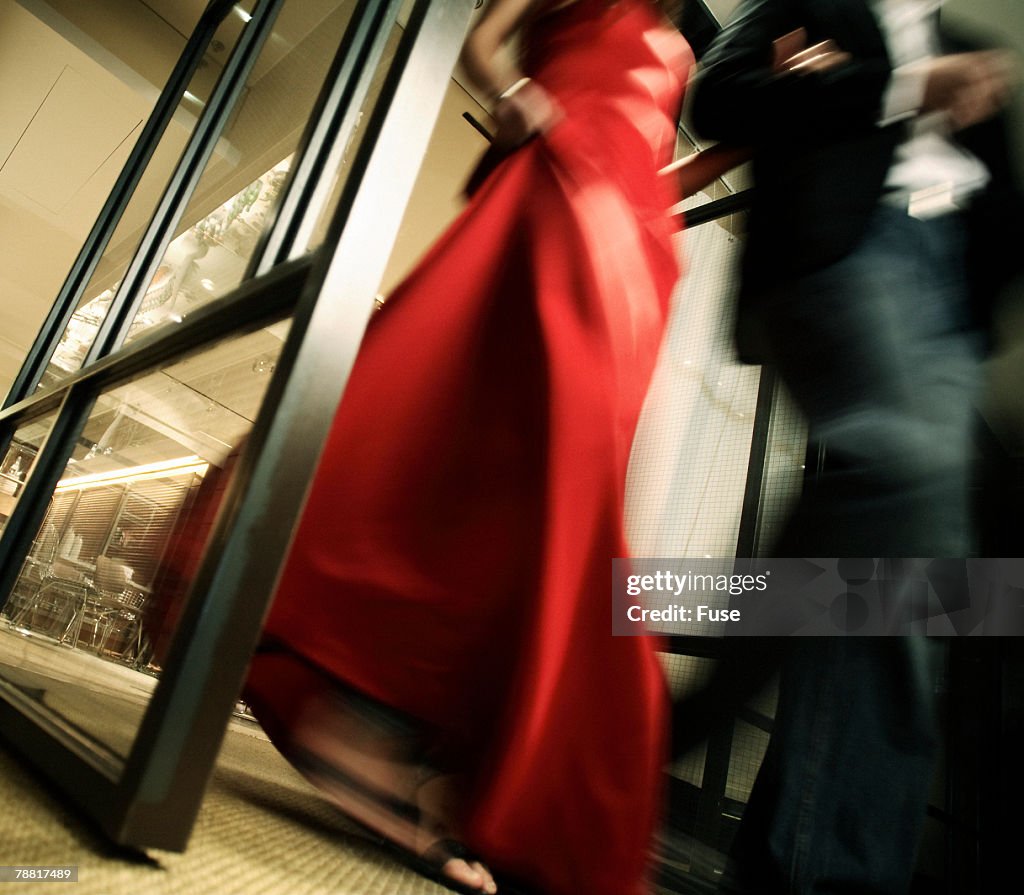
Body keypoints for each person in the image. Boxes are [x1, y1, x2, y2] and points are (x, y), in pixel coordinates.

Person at [243, 2, 740, 894]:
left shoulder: (689, 29)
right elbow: (479, 40)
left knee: (546, 493)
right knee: (494, 448)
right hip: (553, 198)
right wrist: (518, 95)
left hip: (631, 253)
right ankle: (367, 725)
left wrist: (725, 167)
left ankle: (427, 751)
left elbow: (658, 163)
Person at [687, 2, 1022, 893]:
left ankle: (797, 867)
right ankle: (705, 723)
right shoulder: (807, 2)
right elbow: (717, 100)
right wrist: (907, 86)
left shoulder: (973, 43)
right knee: (904, 482)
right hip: (845, 255)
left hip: (945, 304)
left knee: (910, 594)